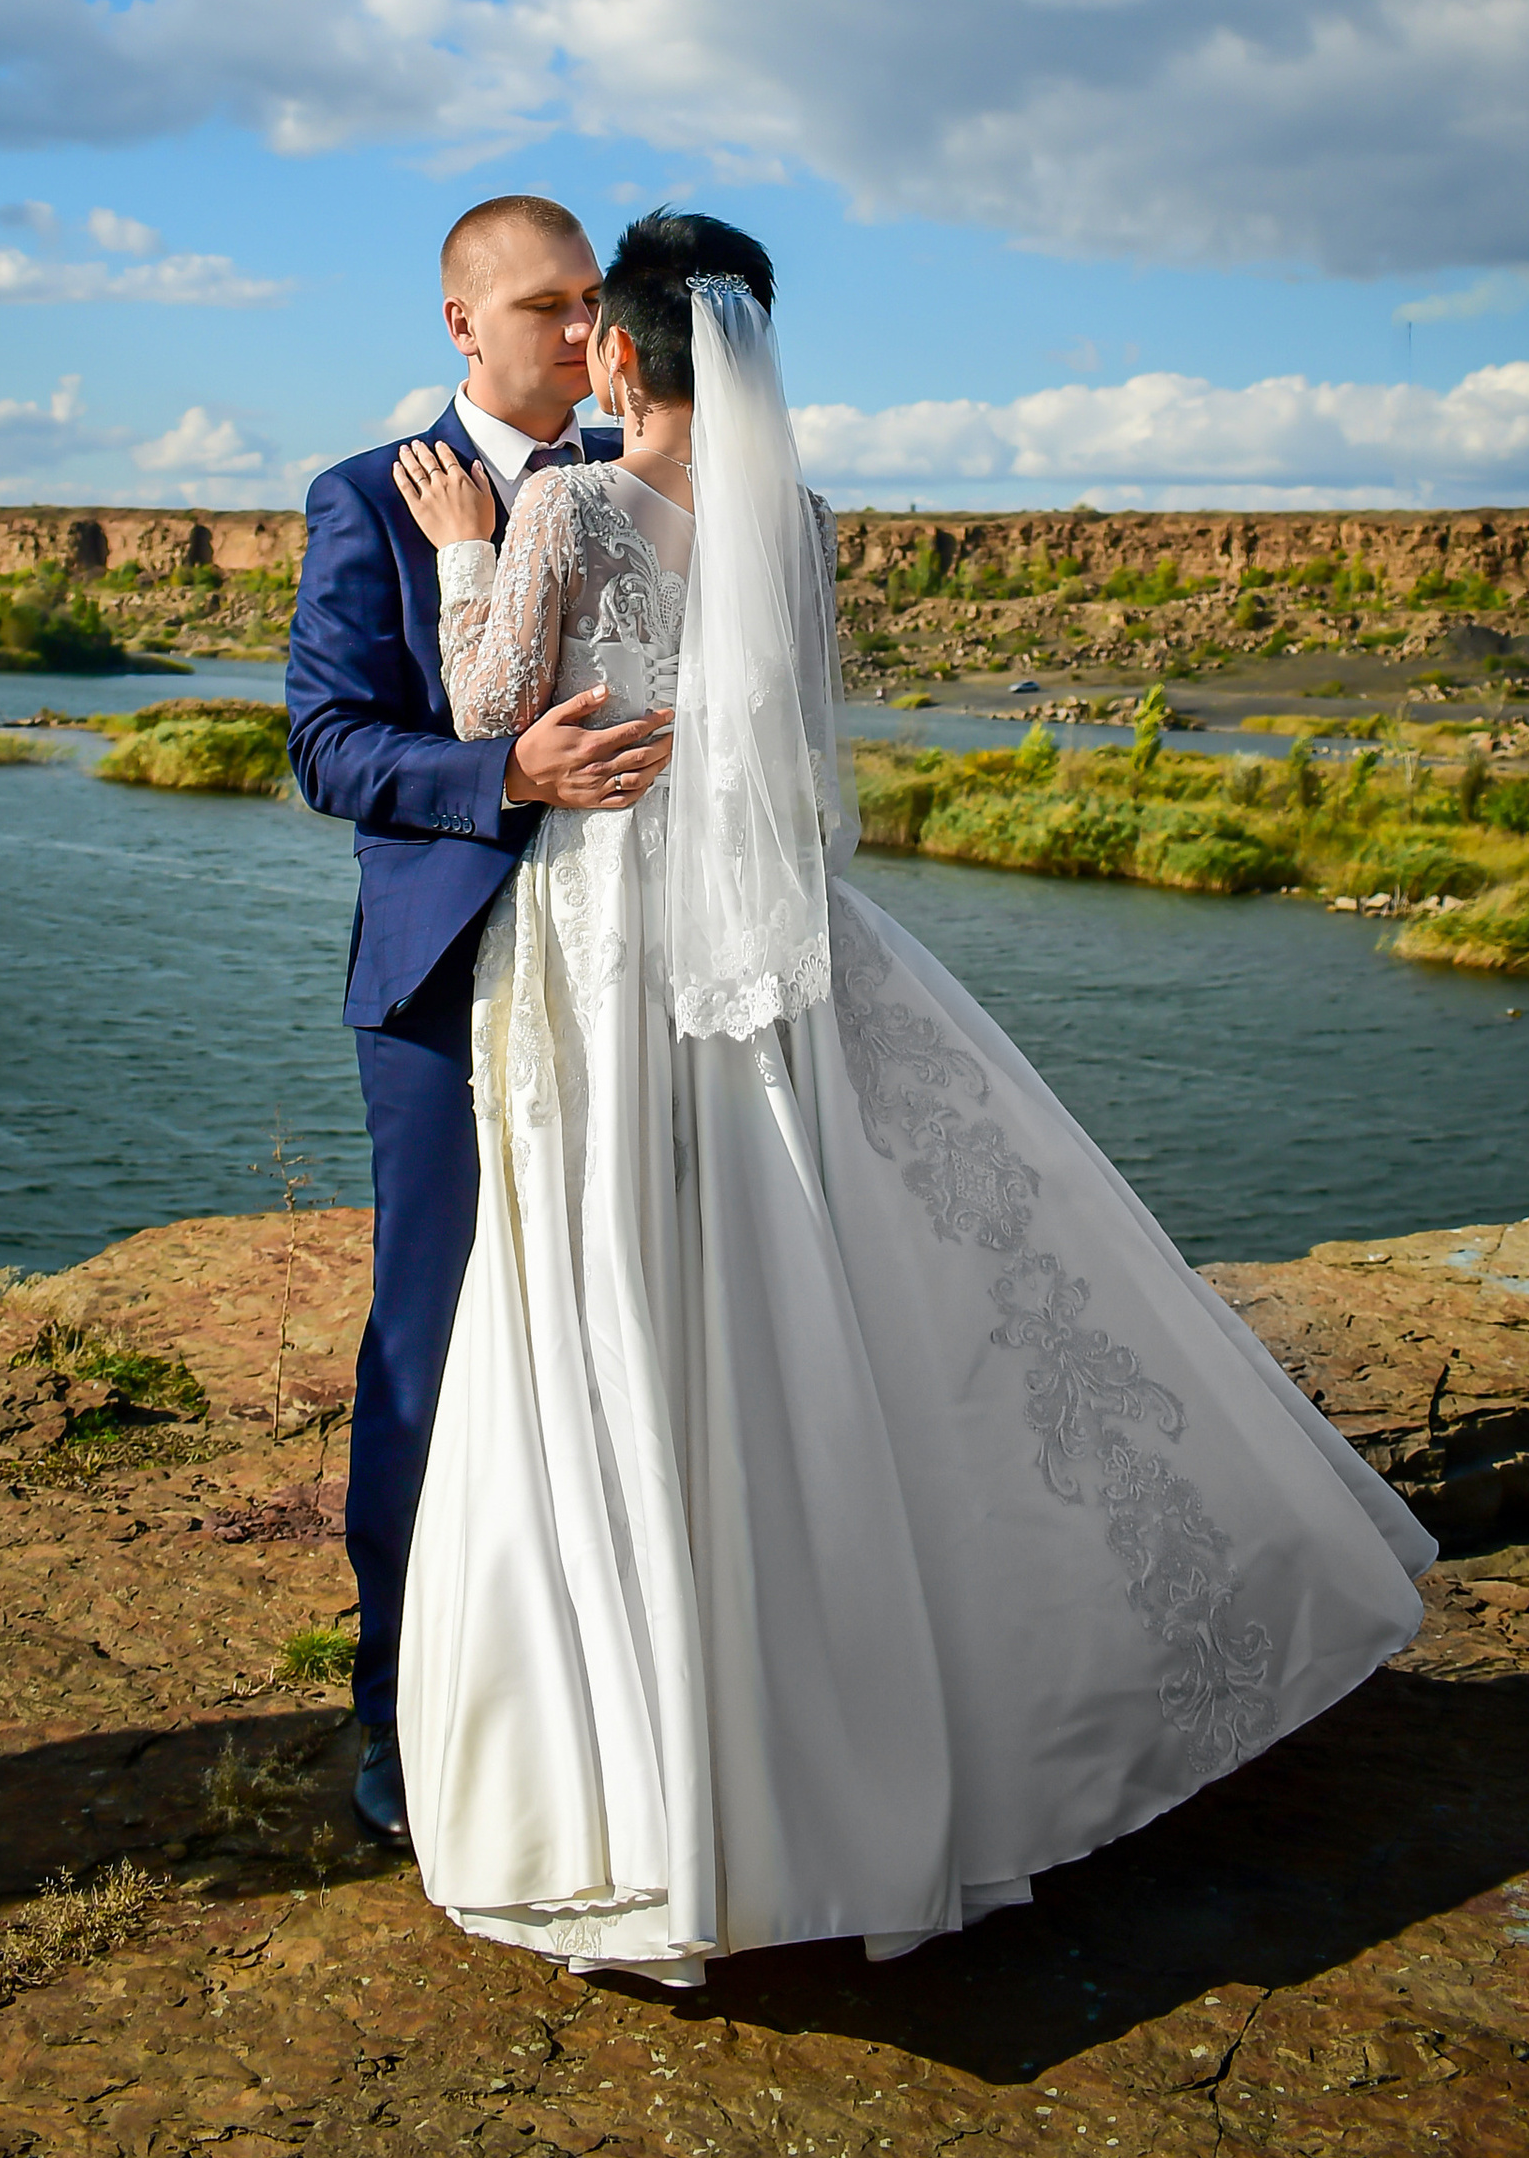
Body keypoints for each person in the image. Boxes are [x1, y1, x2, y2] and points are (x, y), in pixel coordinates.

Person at [385, 210, 1435, 1981]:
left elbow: (494, 709)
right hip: (768, 927)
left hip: (611, 934)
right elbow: (781, 736)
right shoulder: (798, 520)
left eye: (592, 331)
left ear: (624, 355)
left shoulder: (555, 504)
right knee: (805, 1269)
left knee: (616, 1279)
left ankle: (658, 1782)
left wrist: (467, 556)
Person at [288, 195, 675, 1847]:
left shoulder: (638, 482)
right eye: (543, 307)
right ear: (461, 323)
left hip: (631, 974)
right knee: (432, 1350)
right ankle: (398, 1707)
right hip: (448, 984)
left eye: (596, 305)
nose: (580, 335)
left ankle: (611, 1700)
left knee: (625, 1334)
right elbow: (327, 744)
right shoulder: (367, 498)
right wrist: (503, 774)